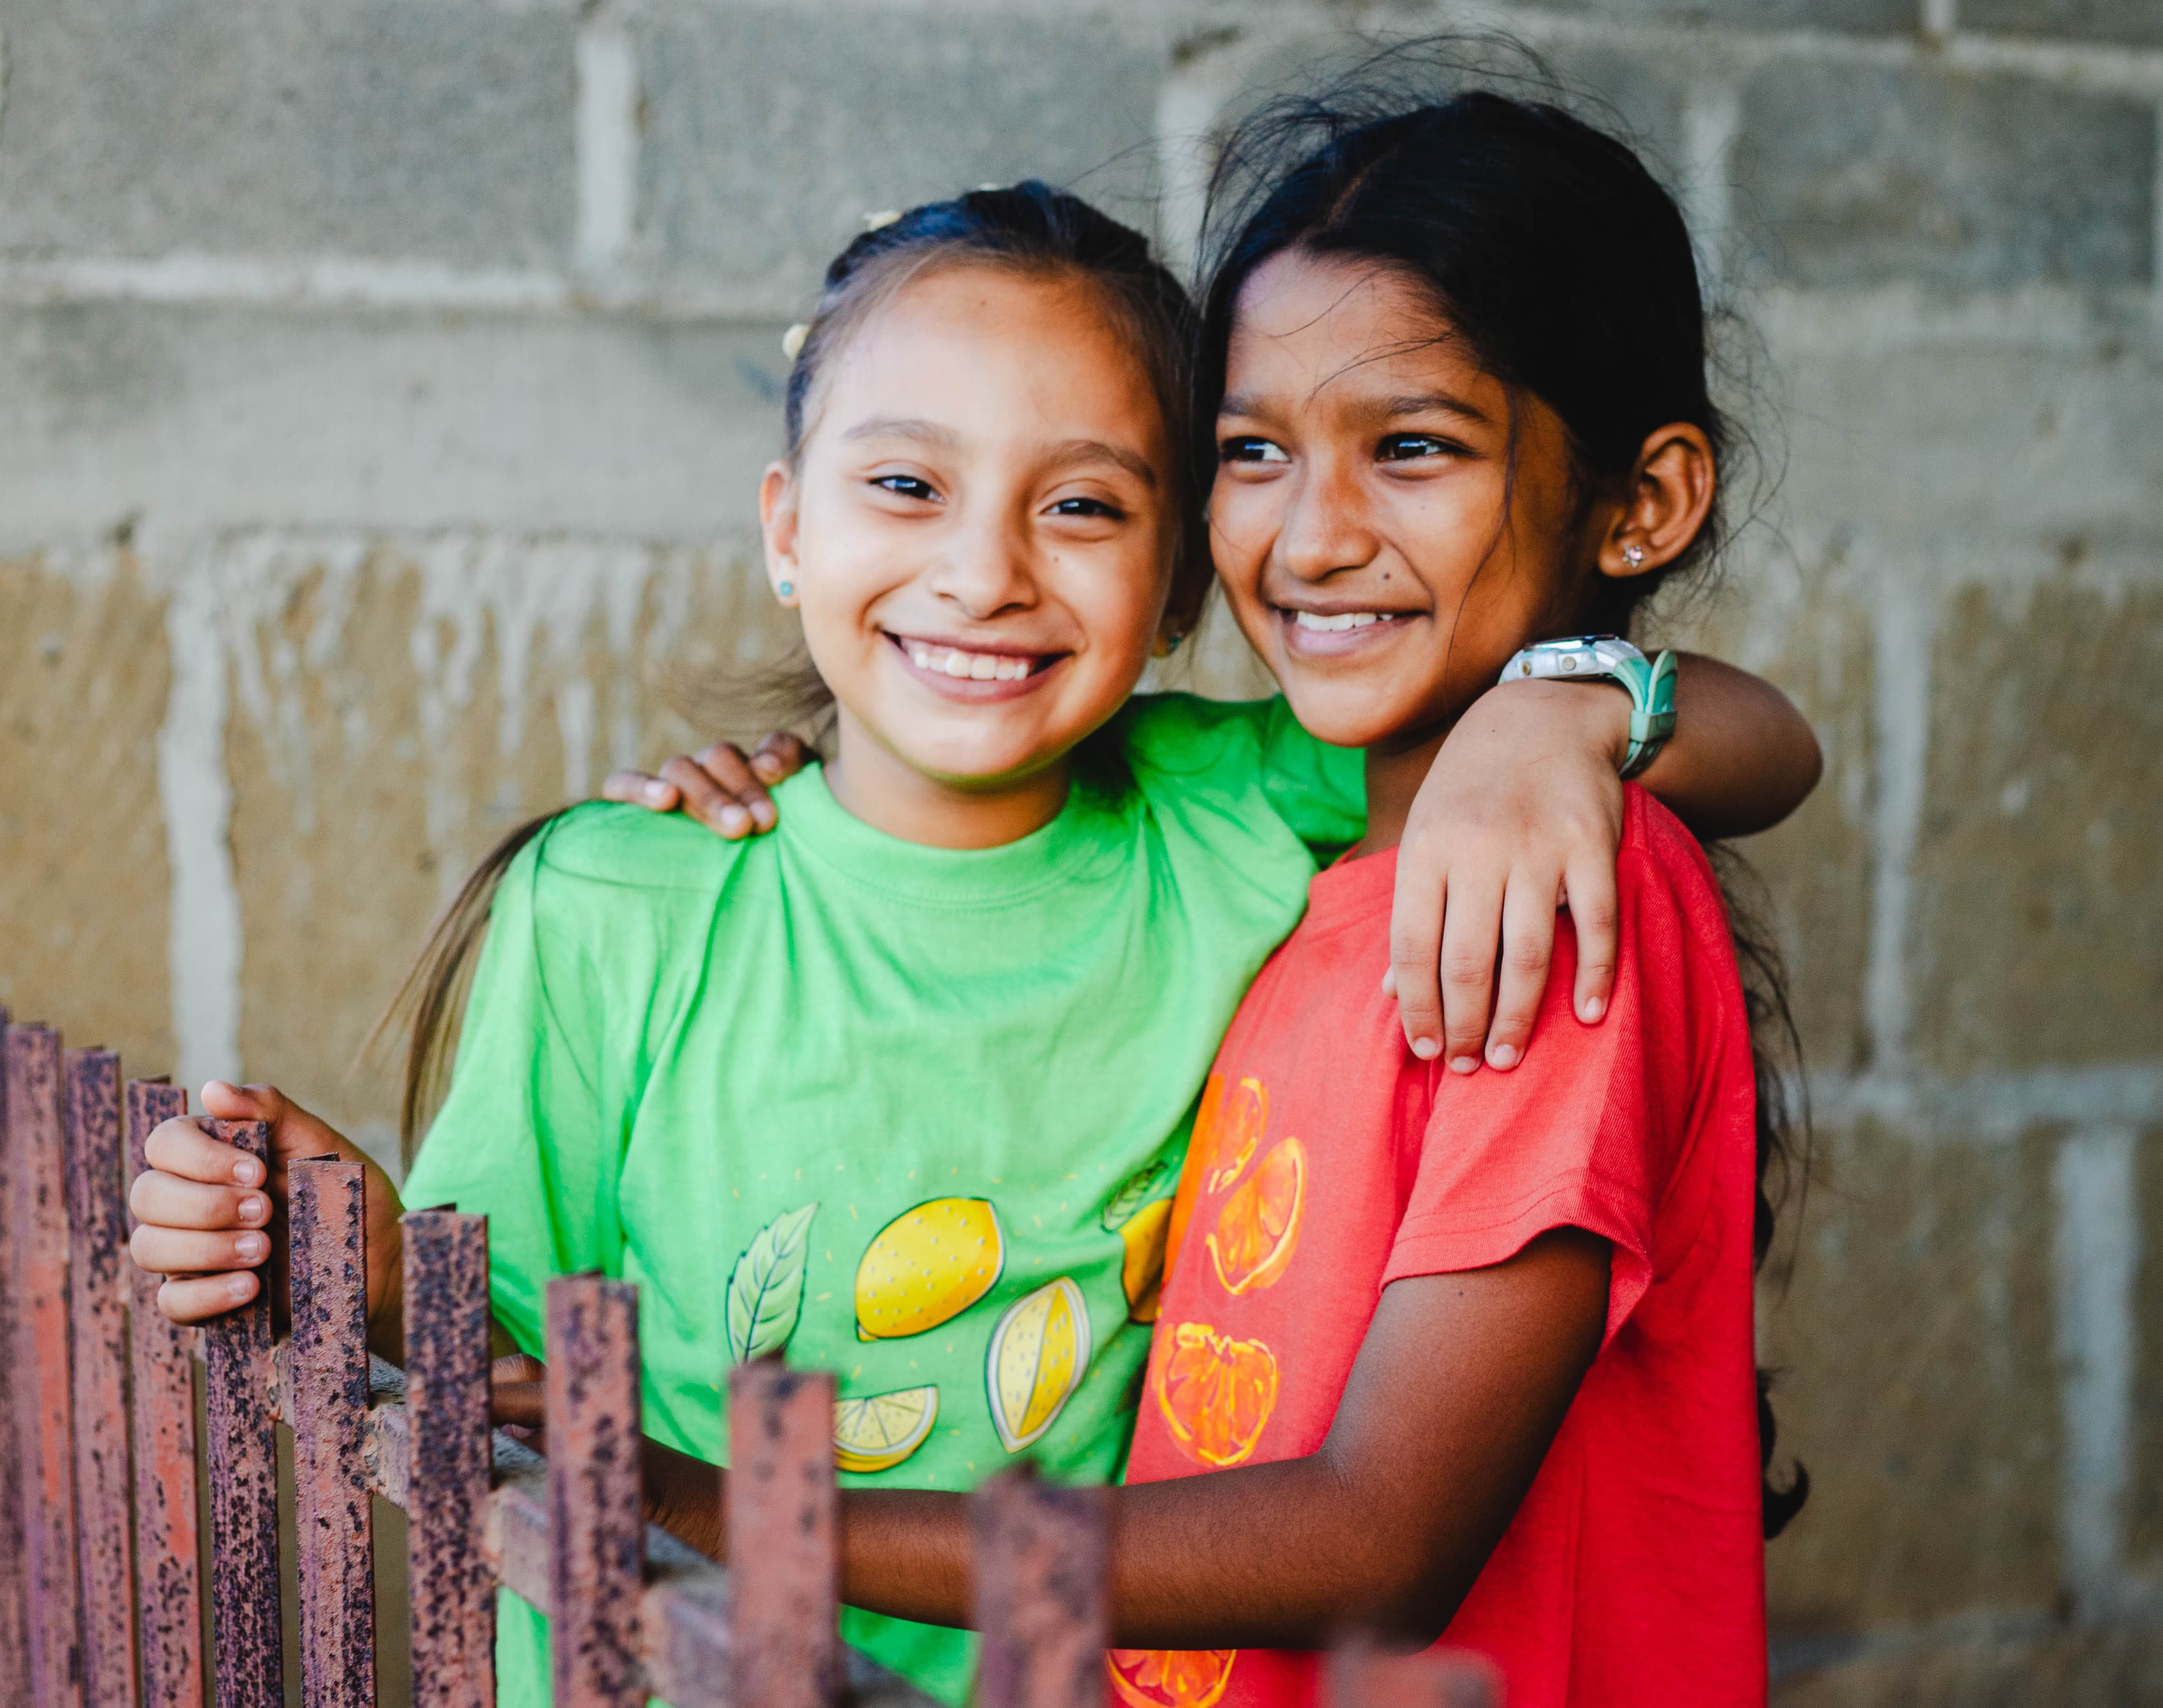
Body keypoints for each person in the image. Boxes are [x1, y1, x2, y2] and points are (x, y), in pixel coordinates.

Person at [127, 175, 1814, 1705]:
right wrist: (315, 1240)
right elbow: (500, 1366)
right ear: (791, 529)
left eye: (1081, 508)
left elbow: (1769, 749)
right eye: (908, 485)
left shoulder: (1236, 819)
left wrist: (1573, 707)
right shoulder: (625, 900)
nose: (984, 573)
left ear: (1175, 591)